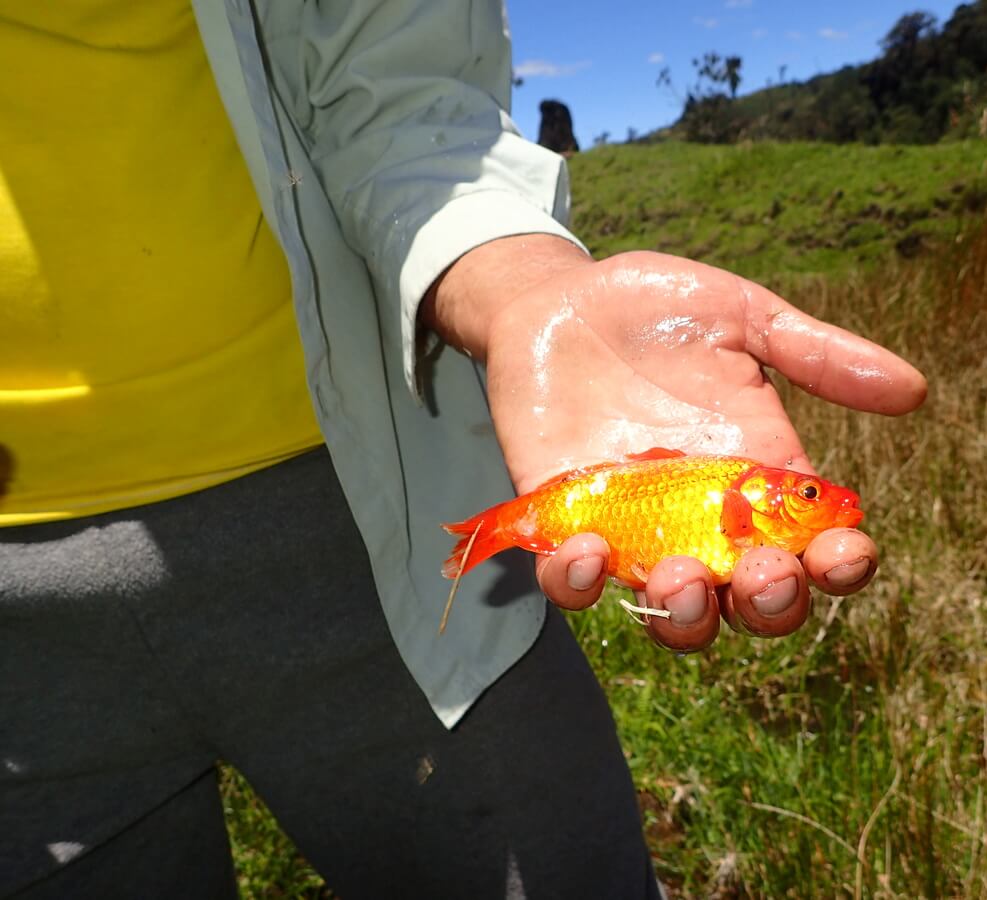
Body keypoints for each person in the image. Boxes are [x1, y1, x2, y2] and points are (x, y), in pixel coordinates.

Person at [0, 1, 926, 897]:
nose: (812, 505)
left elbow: (407, 97)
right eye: (801, 503)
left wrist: (530, 294)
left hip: (360, 507)